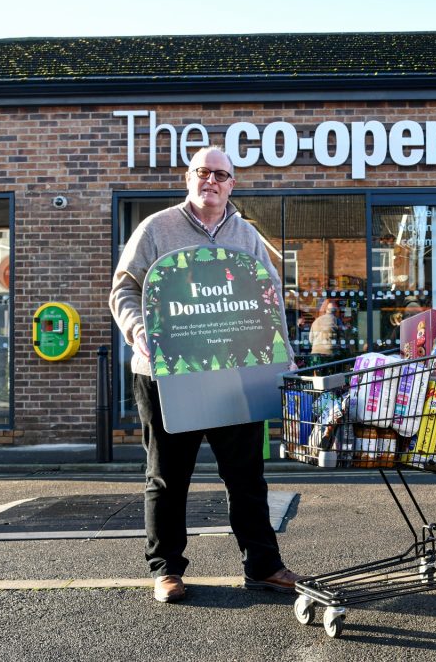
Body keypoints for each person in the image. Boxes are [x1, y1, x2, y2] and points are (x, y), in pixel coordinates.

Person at [109, 146, 304, 603]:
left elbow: (268, 302)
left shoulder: (247, 237)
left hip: (235, 373)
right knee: (167, 476)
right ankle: (166, 570)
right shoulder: (156, 229)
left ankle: (264, 565)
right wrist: (139, 331)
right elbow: (124, 288)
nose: (211, 181)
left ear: (232, 184)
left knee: (246, 476)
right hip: (166, 374)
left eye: (221, 174)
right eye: (202, 172)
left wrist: (285, 356)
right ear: (188, 178)